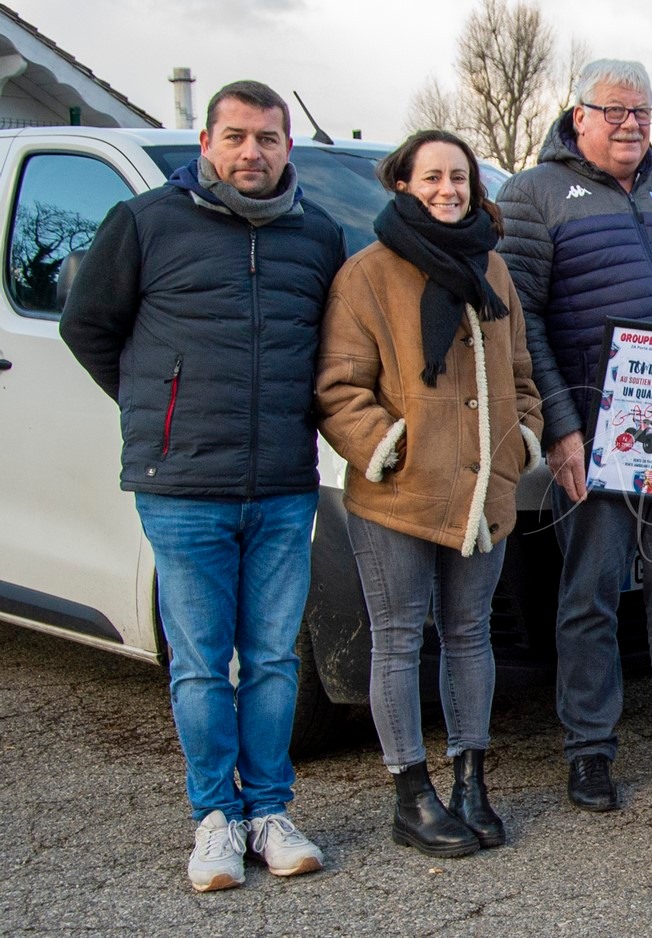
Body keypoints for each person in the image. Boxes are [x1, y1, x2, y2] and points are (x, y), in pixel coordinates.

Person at [60, 81, 344, 891]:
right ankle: (213, 820)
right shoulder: (146, 223)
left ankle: (270, 812)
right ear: (206, 142)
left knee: (272, 662)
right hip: (183, 485)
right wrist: (160, 411)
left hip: (285, 481)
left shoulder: (317, 236)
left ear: (288, 147)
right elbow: (89, 326)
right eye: (235, 137)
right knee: (197, 663)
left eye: (267, 138)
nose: (250, 152)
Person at [495, 59, 652, 811]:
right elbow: (522, 322)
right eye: (614, 111)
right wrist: (563, 430)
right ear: (578, 117)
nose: (631, 124)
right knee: (590, 596)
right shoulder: (533, 194)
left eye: (642, 111)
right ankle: (590, 751)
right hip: (595, 433)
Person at [315, 131, 542, 856]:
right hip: (399, 498)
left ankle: (471, 781)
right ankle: (411, 797)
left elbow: (522, 375)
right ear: (405, 185)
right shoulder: (368, 273)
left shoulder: (493, 269)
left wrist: (522, 444)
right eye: (433, 177)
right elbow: (339, 387)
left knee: (471, 635)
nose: (448, 188)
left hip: (483, 494)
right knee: (400, 639)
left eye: (460, 177)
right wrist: (391, 450)